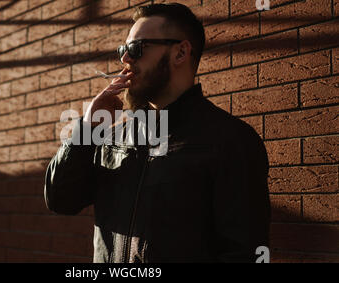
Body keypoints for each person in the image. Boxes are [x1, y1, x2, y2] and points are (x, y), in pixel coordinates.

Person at [44, 3, 270, 263]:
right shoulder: (113, 137)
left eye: (136, 49)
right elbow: (60, 199)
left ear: (180, 52)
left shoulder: (230, 141)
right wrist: (87, 128)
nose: (125, 59)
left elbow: (245, 253)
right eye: (123, 50)